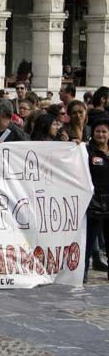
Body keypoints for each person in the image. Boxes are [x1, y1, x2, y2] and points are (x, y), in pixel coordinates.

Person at [85, 119, 109, 283]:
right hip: (93, 202)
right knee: (89, 241)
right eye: (98, 131)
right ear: (93, 134)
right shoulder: (87, 151)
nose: (101, 134)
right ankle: (83, 272)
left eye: (104, 132)